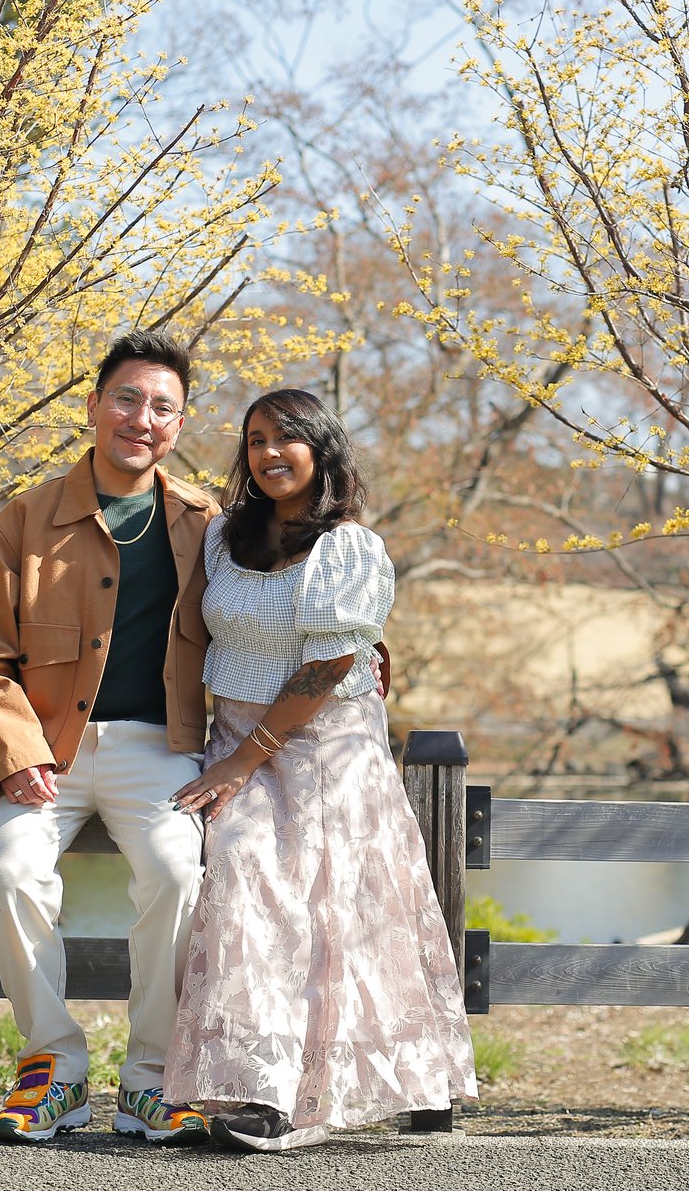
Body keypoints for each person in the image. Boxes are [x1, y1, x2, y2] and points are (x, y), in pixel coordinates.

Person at [166, 388, 478, 1153]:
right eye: (256, 439)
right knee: (245, 886)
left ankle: (353, 1091)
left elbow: (331, 661)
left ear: (322, 448)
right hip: (235, 737)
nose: (270, 453)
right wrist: (230, 753)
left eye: (287, 438)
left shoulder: (349, 547)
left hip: (326, 746)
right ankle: (255, 1086)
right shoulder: (222, 537)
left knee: (339, 913)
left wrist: (244, 760)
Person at [0, 330, 216, 1146]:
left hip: (160, 750)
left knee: (179, 875)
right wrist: (17, 752)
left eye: (162, 407)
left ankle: (153, 1079)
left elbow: (270, 615)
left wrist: (355, 657)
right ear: (95, 406)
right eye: (127, 399)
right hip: (44, 752)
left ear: (179, 424)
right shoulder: (25, 519)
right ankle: (53, 1070)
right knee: (10, 873)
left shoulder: (206, 523)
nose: (142, 418)